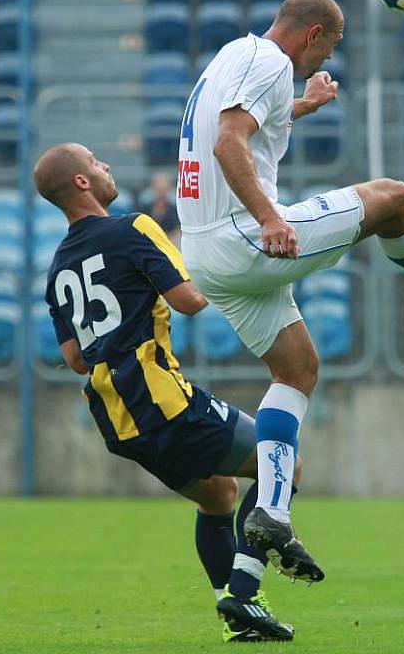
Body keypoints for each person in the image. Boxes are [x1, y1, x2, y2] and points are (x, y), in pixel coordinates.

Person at [175, 0, 404, 580]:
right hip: (242, 235)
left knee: (297, 371)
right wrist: (271, 219)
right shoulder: (272, 61)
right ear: (313, 36)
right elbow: (228, 142)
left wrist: (304, 106)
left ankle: (259, 544)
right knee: (396, 200)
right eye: (331, 48)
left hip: (202, 249)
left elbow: (240, 125)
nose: (327, 62)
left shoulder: (234, 55)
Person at [33, 142, 299, 643]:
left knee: (219, 496)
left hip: (118, 422)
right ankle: (242, 591)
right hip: (162, 399)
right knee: (282, 463)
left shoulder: (58, 269)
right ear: (83, 183)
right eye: (95, 162)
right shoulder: (132, 228)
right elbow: (191, 300)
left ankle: (241, 623)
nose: (105, 165)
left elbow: (74, 360)